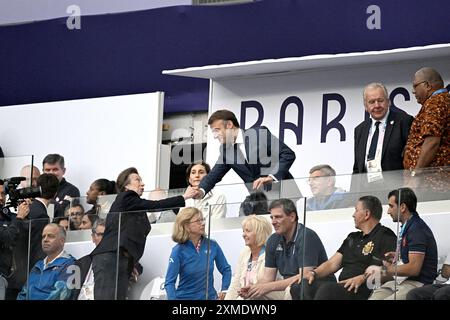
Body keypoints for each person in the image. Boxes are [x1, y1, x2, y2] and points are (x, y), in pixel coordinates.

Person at [90, 167, 196, 300]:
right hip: (112, 259)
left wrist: (131, 261)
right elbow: (155, 205)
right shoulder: (126, 196)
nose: (142, 183)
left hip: (119, 260)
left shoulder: (130, 205)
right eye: (137, 180)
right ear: (126, 186)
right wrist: (184, 197)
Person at [297, 196, 397, 300]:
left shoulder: (385, 236)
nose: (353, 215)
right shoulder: (352, 237)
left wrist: (363, 278)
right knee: (303, 286)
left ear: (367, 214)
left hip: (364, 287)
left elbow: (389, 270)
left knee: (328, 290)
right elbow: (332, 264)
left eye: (356, 210)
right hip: (343, 285)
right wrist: (314, 273)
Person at [239, 199, 333, 300]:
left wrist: (266, 287)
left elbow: (305, 276)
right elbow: (267, 279)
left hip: (317, 288)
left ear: (292, 217)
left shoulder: (307, 236)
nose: (273, 222)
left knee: (292, 289)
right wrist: (253, 289)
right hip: (290, 287)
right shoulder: (273, 240)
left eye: (278, 217)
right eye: (272, 217)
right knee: (253, 294)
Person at [198, 109, 301, 201]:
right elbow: (213, 176)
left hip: (285, 196)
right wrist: (200, 190)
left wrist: (271, 177)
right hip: (260, 202)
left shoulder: (259, 134)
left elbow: (287, 154)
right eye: (213, 132)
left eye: (217, 130)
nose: (215, 136)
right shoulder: (226, 151)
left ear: (229, 124)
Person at [368, 188, 438, 300]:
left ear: (403, 207)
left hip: (419, 284)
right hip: (403, 282)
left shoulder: (417, 229)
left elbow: (414, 269)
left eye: (391, 206)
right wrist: (398, 255)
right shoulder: (409, 225)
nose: (388, 211)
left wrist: (383, 270)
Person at [5, 173, 59, 300]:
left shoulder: (28, 209)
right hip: (26, 277)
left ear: (36, 187)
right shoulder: (41, 215)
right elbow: (37, 250)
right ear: (55, 193)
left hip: (14, 274)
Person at [165, 207, 231, 300]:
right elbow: (169, 283)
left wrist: (225, 289)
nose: (203, 223)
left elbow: (226, 269)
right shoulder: (178, 251)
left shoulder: (212, 245)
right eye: (198, 221)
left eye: (203, 220)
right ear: (186, 226)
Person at [403, 67, 450, 192]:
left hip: (432, 182)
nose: (413, 92)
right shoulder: (439, 101)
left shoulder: (436, 103)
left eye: (415, 86)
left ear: (427, 85)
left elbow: (431, 142)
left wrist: (416, 174)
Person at [353, 82, 413, 174]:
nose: (377, 105)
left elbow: (412, 157)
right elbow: (357, 167)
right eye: (372, 102)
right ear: (366, 106)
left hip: (396, 185)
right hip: (366, 186)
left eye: (380, 100)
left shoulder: (404, 121)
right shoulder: (360, 130)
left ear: (388, 102)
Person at [17, 223, 76, 300]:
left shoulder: (73, 265)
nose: (45, 240)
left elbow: (63, 296)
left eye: (51, 236)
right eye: (43, 236)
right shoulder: (38, 265)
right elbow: (23, 293)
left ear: (62, 241)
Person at [225, 215, 272, 300]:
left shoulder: (270, 254)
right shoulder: (244, 252)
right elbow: (236, 284)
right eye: (243, 231)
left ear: (259, 233)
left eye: (247, 231)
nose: (243, 235)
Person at [0, 179, 30, 300]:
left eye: (2, 193)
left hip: (11, 275)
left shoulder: (5, 214)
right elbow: (8, 237)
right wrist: (19, 217)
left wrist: (25, 212)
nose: (1, 198)